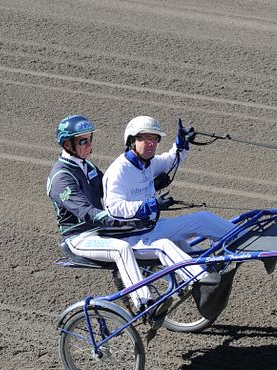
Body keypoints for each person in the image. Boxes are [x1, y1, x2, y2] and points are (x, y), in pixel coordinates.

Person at [102, 115, 236, 284]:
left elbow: (171, 160)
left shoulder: (147, 163)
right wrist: (152, 205)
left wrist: (181, 143)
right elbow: (114, 209)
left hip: (151, 227)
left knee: (203, 218)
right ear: (131, 140)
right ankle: (203, 281)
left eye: (155, 139)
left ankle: (248, 241)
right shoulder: (118, 171)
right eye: (145, 138)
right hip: (133, 238)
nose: (151, 144)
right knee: (168, 244)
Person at [47, 114, 153, 310]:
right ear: (67, 145)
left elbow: (114, 189)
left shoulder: (88, 167)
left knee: (146, 234)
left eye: (90, 139)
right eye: (83, 141)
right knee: (121, 249)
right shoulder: (61, 177)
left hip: (100, 231)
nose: (89, 145)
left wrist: (152, 184)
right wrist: (120, 220)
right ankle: (144, 303)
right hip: (79, 237)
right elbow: (88, 213)